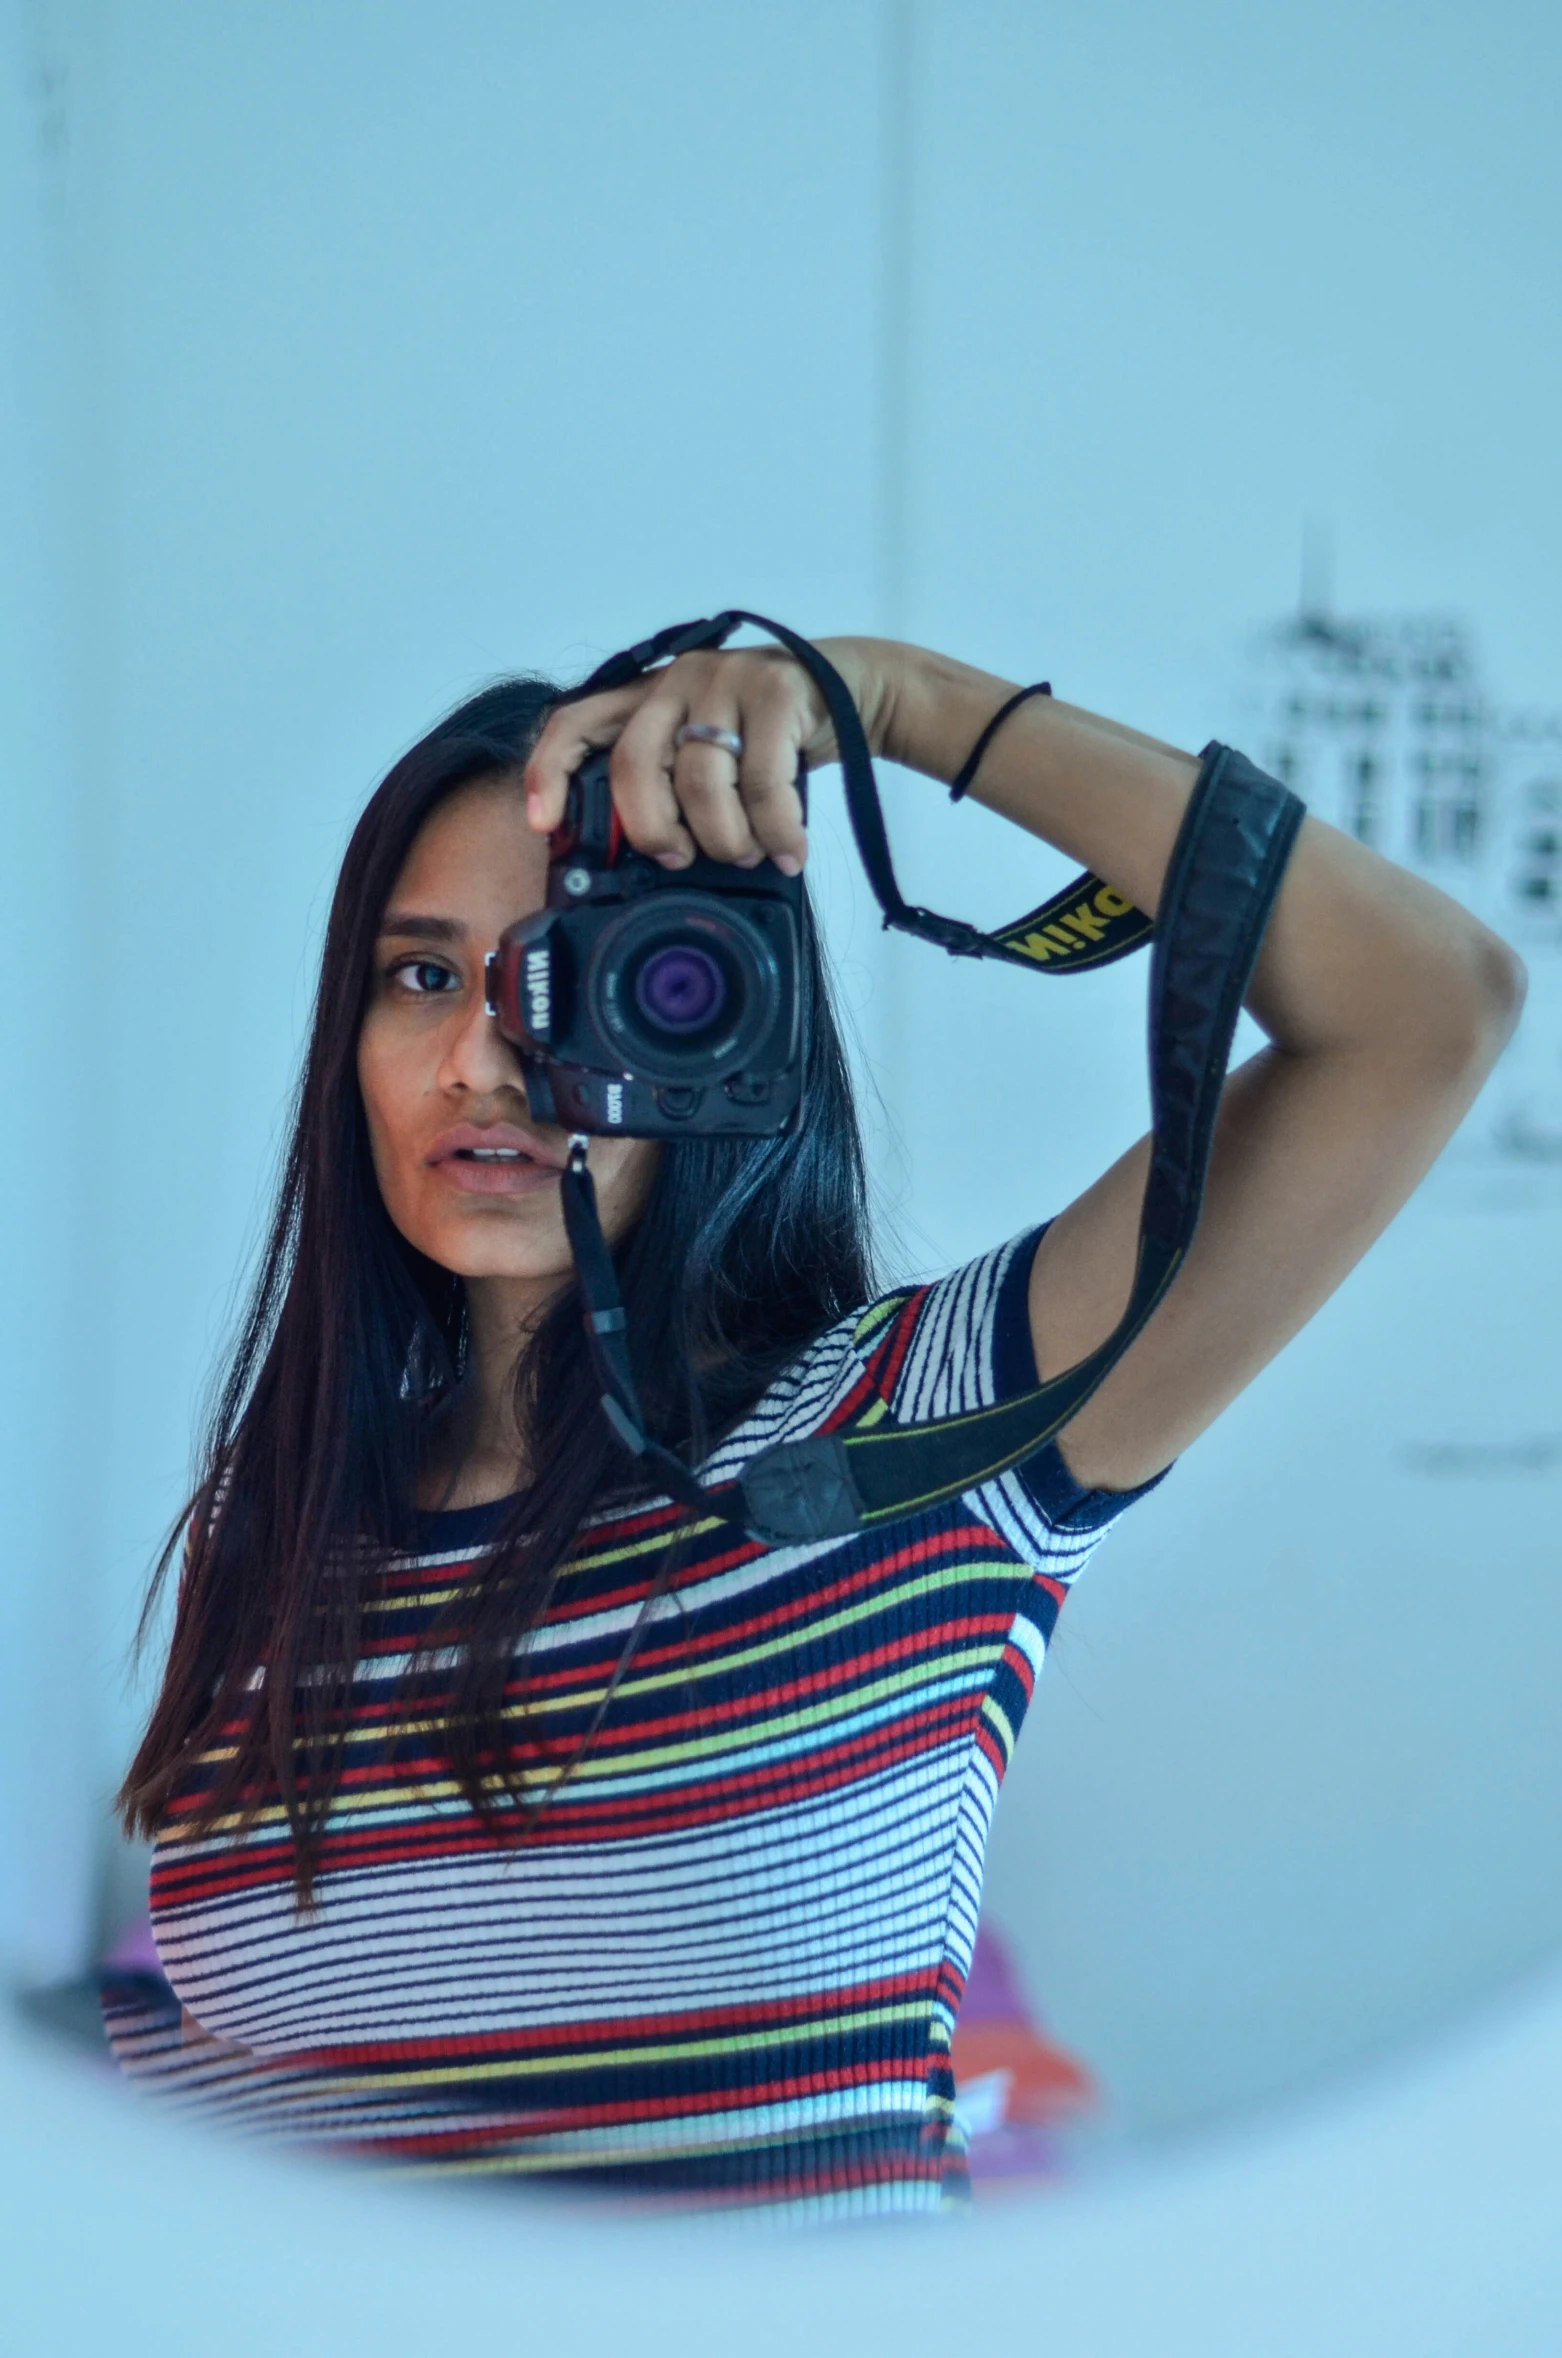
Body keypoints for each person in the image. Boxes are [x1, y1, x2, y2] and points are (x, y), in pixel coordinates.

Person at [106, 634, 1522, 2215]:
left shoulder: (910, 1429)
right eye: (422, 973)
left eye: (566, 974)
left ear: (719, 1019)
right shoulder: (288, 1517)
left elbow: (1421, 1007)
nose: (480, 1062)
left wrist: (896, 702)